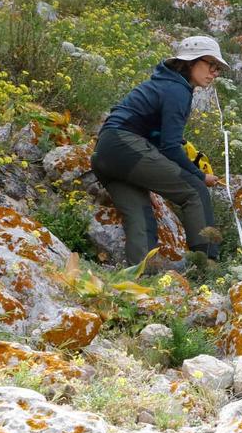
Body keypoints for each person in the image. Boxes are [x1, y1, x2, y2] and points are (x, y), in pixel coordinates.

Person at [92, 36, 229, 269]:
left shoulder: (165, 83)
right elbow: (170, 146)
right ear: (191, 62)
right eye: (211, 65)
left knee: (140, 215)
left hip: (105, 154)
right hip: (125, 146)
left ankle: (139, 279)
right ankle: (208, 265)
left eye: (218, 69)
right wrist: (199, 175)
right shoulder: (178, 89)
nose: (214, 73)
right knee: (194, 192)